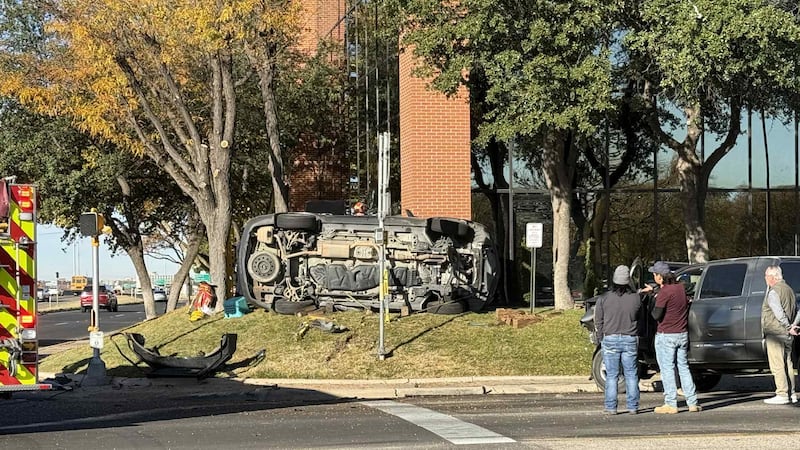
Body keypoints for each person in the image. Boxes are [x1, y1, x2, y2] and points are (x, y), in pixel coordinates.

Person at [641, 261, 701, 414]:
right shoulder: (680, 289)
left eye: (654, 274)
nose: (654, 277)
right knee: (683, 367)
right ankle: (692, 401)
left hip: (666, 335)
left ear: (660, 277)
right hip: (681, 334)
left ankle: (671, 403)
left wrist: (651, 299)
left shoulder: (664, 292)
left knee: (667, 369)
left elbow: (656, 314)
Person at [594, 265, 641, 415]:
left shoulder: (604, 298)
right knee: (631, 374)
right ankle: (633, 406)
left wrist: (601, 336)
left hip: (610, 337)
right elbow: (638, 317)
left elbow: (598, 320)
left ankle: (611, 406)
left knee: (612, 374)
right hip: (630, 337)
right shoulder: (635, 298)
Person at [761, 265, 797, 404]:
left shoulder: (774, 292)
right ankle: (792, 393)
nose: (765, 278)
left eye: (766, 275)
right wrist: (793, 325)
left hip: (775, 332)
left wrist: (788, 326)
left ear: (772, 277)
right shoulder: (789, 290)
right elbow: (797, 310)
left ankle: (781, 393)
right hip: (787, 334)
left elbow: (778, 313)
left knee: (777, 364)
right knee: (788, 364)